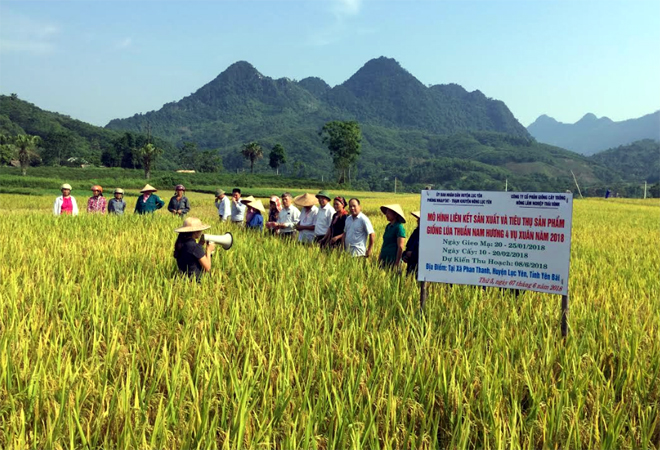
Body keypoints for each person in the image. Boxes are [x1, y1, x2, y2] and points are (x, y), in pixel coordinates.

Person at [378, 204, 407, 269]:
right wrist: (380, 257)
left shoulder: (399, 227)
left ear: (395, 214)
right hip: (384, 258)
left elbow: (400, 247)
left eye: (389, 213)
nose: (386, 215)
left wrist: (397, 263)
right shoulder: (388, 226)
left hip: (393, 259)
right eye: (386, 213)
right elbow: (384, 243)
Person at [403, 211, 420, 278]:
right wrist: (404, 255)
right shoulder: (415, 232)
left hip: (420, 268)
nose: (417, 221)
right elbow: (408, 247)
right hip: (410, 266)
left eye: (419, 219)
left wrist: (412, 254)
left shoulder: (429, 235)